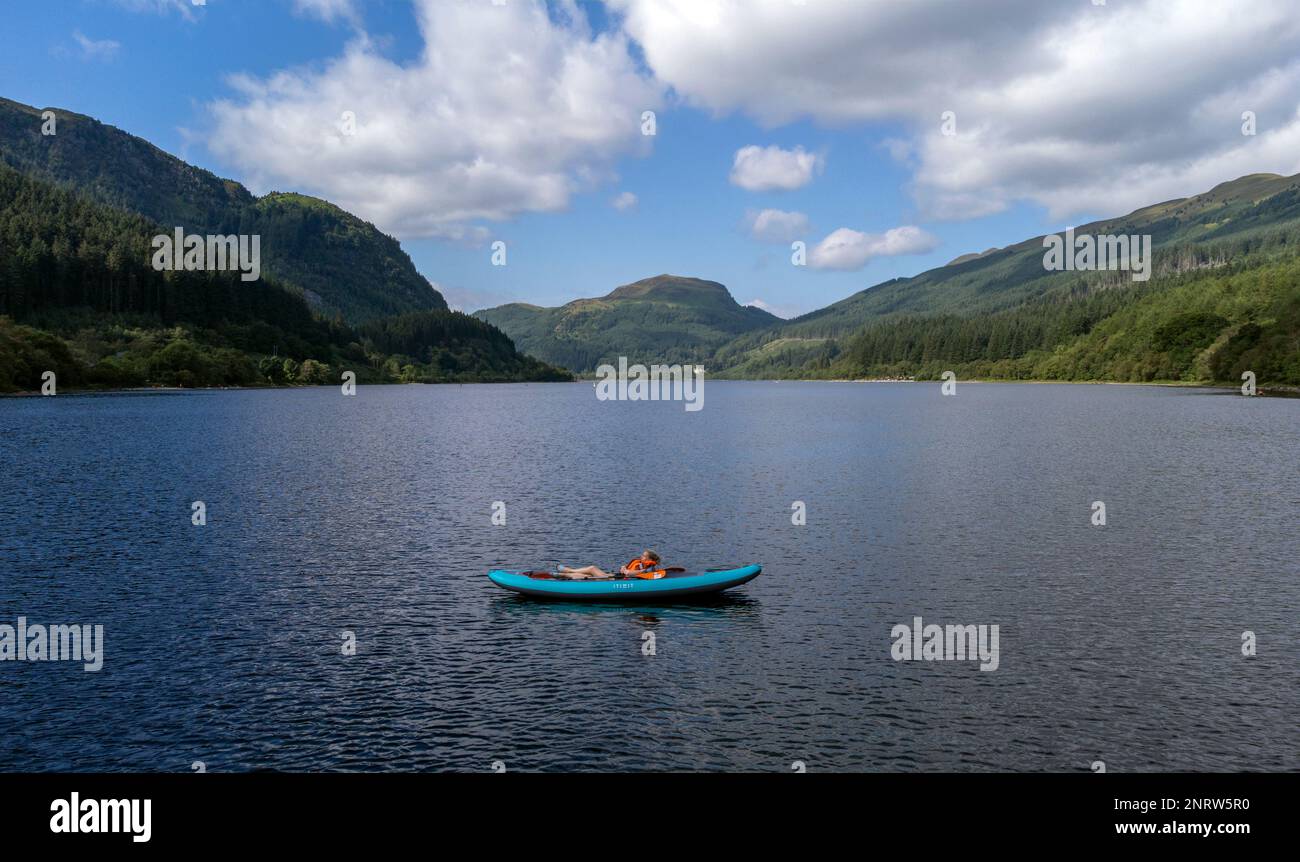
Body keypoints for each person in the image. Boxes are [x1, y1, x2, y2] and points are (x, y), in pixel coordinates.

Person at [558, 550, 665, 580]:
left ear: (650, 559)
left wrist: (627, 571)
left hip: (613, 581)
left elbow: (633, 574)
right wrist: (624, 568)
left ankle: (568, 570)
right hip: (616, 577)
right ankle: (564, 575)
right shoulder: (641, 564)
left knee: (592, 568)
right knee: (590, 576)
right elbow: (627, 570)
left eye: (644, 556)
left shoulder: (649, 568)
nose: (641, 557)